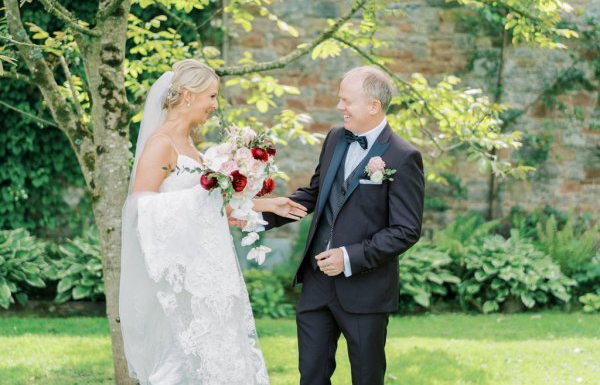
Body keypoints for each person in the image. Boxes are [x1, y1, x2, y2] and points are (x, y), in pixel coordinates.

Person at [119, 59, 306, 384]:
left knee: (224, 352)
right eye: (212, 96)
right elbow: (141, 207)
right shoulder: (161, 144)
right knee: (188, 356)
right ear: (188, 96)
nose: (215, 106)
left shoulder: (193, 146)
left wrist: (266, 204)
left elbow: (216, 204)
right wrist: (201, 199)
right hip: (187, 274)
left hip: (211, 269)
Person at [262, 66, 425, 385]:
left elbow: (406, 230)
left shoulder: (404, 157)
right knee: (311, 375)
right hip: (316, 284)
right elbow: (316, 193)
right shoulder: (335, 137)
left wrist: (349, 258)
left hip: (365, 290)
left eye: (346, 101)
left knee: (366, 377)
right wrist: (258, 215)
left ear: (373, 106)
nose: (340, 107)